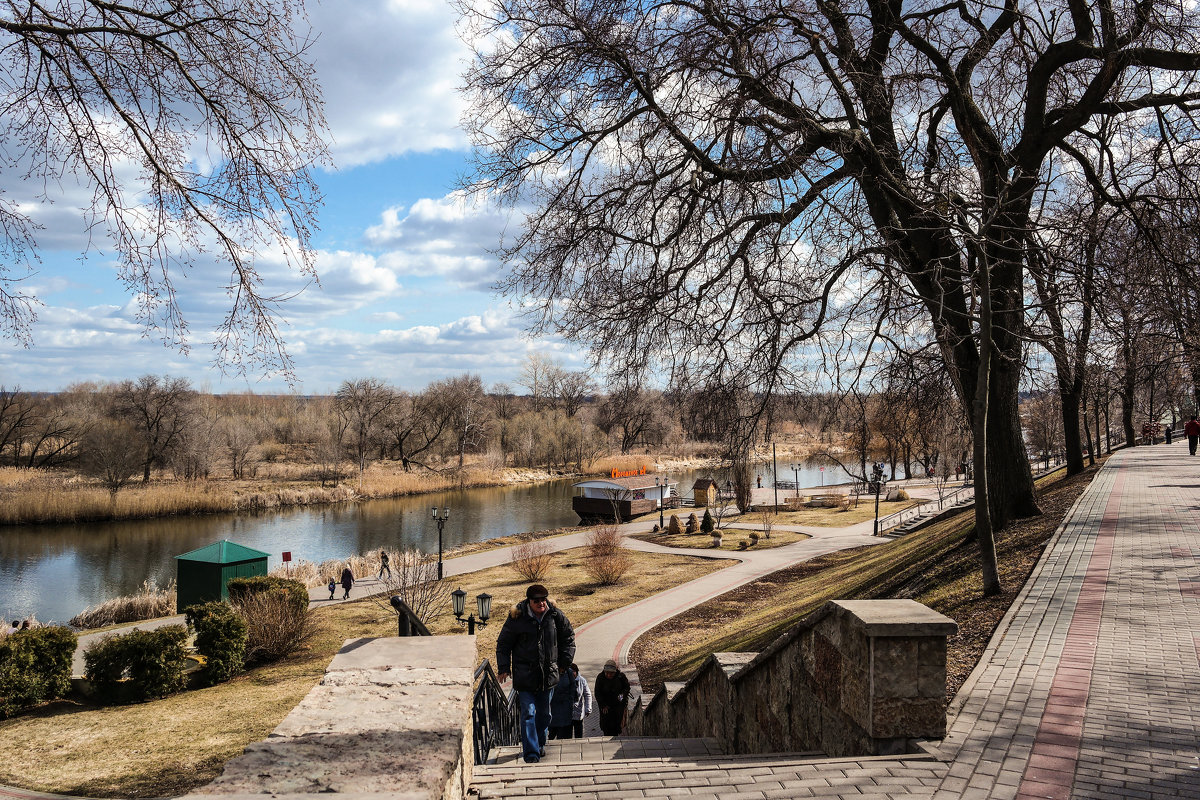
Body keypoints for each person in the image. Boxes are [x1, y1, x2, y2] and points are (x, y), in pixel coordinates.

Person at [495, 583, 576, 763]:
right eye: (536, 601)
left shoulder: (555, 615)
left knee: (545, 714)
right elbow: (503, 644)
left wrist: (564, 663)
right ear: (529, 601)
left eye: (543, 600)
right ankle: (531, 753)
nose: (541, 603)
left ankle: (539, 743)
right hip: (525, 676)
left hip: (548, 676)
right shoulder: (517, 618)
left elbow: (569, 638)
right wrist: (503, 668)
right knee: (529, 713)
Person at [594, 659, 631, 736]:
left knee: (616, 727)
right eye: (607, 673)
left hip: (617, 707)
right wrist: (603, 705)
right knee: (606, 727)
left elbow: (627, 688)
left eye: (611, 673)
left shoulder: (621, 677)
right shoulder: (600, 678)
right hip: (605, 708)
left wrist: (621, 697)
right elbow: (597, 693)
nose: (609, 675)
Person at [548, 668, 575, 740]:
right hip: (553, 707)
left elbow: (573, 686)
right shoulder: (551, 670)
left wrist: (570, 699)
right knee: (552, 733)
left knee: (565, 734)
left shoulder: (568, 672)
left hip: (565, 708)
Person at [569, 663, 592, 738]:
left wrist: (588, 709)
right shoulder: (565, 680)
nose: (571, 673)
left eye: (573, 671)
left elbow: (587, 695)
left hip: (578, 714)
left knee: (579, 736)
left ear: (576, 671)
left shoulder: (582, 681)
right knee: (566, 737)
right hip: (567, 714)